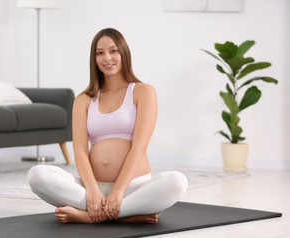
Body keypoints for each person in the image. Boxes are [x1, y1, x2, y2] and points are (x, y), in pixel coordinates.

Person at [27, 28, 188, 224]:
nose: (107, 58)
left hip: (133, 188)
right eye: (100, 53)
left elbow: (139, 147)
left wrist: (119, 190)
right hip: (91, 188)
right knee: (37, 175)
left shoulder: (143, 92)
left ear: (124, 53)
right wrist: (93, 191)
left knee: (177, 182)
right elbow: (79, 151)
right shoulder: (84, 100)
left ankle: (93, 216)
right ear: (93, 59)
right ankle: (127, 214)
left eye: (113, 51)